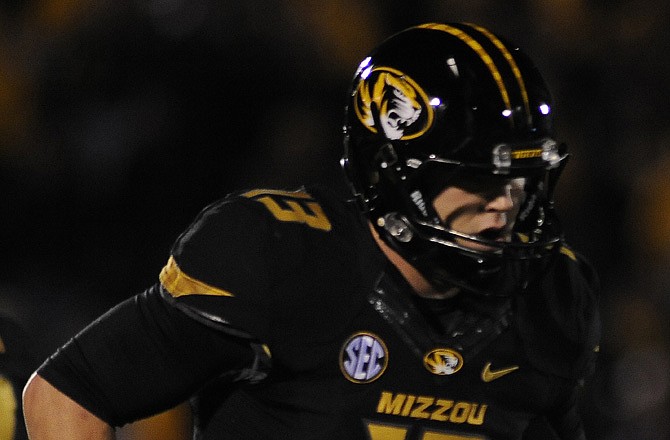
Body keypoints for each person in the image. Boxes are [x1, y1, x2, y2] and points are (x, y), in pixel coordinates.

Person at [23, 22, 600, 439]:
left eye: (522, 178)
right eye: (478, 178)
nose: (506, 203)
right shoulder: (280, 255)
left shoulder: (553, 294)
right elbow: (69, 392)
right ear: (393, 173)